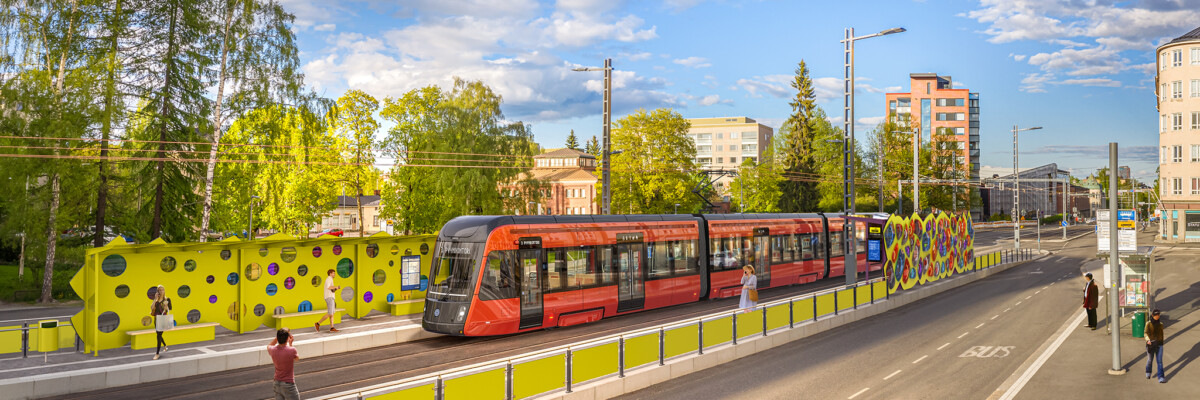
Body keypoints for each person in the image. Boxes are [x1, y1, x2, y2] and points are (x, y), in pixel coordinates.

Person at [268, 328, 301, 399]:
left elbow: (269, 346)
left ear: (277, 338)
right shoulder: (292, 350)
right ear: (287, 338)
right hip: (288, 384)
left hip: (277, 383)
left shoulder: (272, 350)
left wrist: (277, 338)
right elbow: (296, 359)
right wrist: (291, 344)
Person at [150, 285, 172, 360]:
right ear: (157, 291)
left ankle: (157, 354)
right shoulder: (156, 300)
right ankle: (165, 346)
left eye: (162, 290)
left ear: (164, 291)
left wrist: (166, 307)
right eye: (159, 290)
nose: (161, 291)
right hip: (156, 319)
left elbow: (170, 308)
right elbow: (151, 308)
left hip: (163, 319)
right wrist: (155, 299)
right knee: (158, 334)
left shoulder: (167, 299)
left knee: (159, 335)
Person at [1145, 309, 1166, 383]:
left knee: (1159, 362)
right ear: (1152, 315)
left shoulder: (1161, 324)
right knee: (1150, 360)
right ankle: (1148, 372)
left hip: (1159, 345)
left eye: (1158, 315)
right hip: (1150, 344)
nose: (1157, 316)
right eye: (1156, 315)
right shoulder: (1148, 323)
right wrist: (1148, 340)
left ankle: (1161, 377)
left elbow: (1161, 334)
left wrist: (1161, 342)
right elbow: (1145, 333)